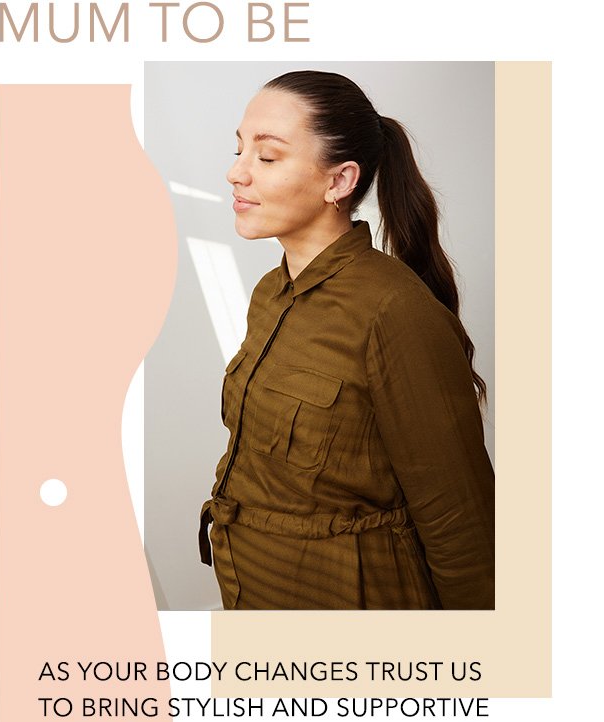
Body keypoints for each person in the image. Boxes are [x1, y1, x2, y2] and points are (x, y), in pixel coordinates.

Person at [198, 70, 494, 611]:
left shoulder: (394, 311)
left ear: (339, 182)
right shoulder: (270, 293)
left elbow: (462, 524)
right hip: (255, 596)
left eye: (266, 157)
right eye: (240, 150)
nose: (236, 173)